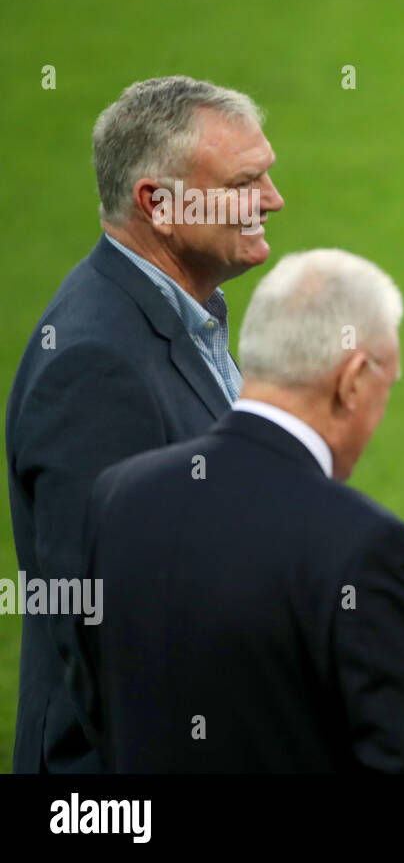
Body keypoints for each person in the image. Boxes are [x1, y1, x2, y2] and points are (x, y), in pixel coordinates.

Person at [75, 249, 404, 773]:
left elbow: (96, 701)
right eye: (387, 385)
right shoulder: (359, 542)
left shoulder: (118, 495)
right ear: (353, 380)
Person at [6, 76, 283, 772]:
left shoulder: (189, 313)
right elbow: (100, 628)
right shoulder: (95, 367)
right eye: (246, 182)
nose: (272, 201)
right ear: (159, 204)